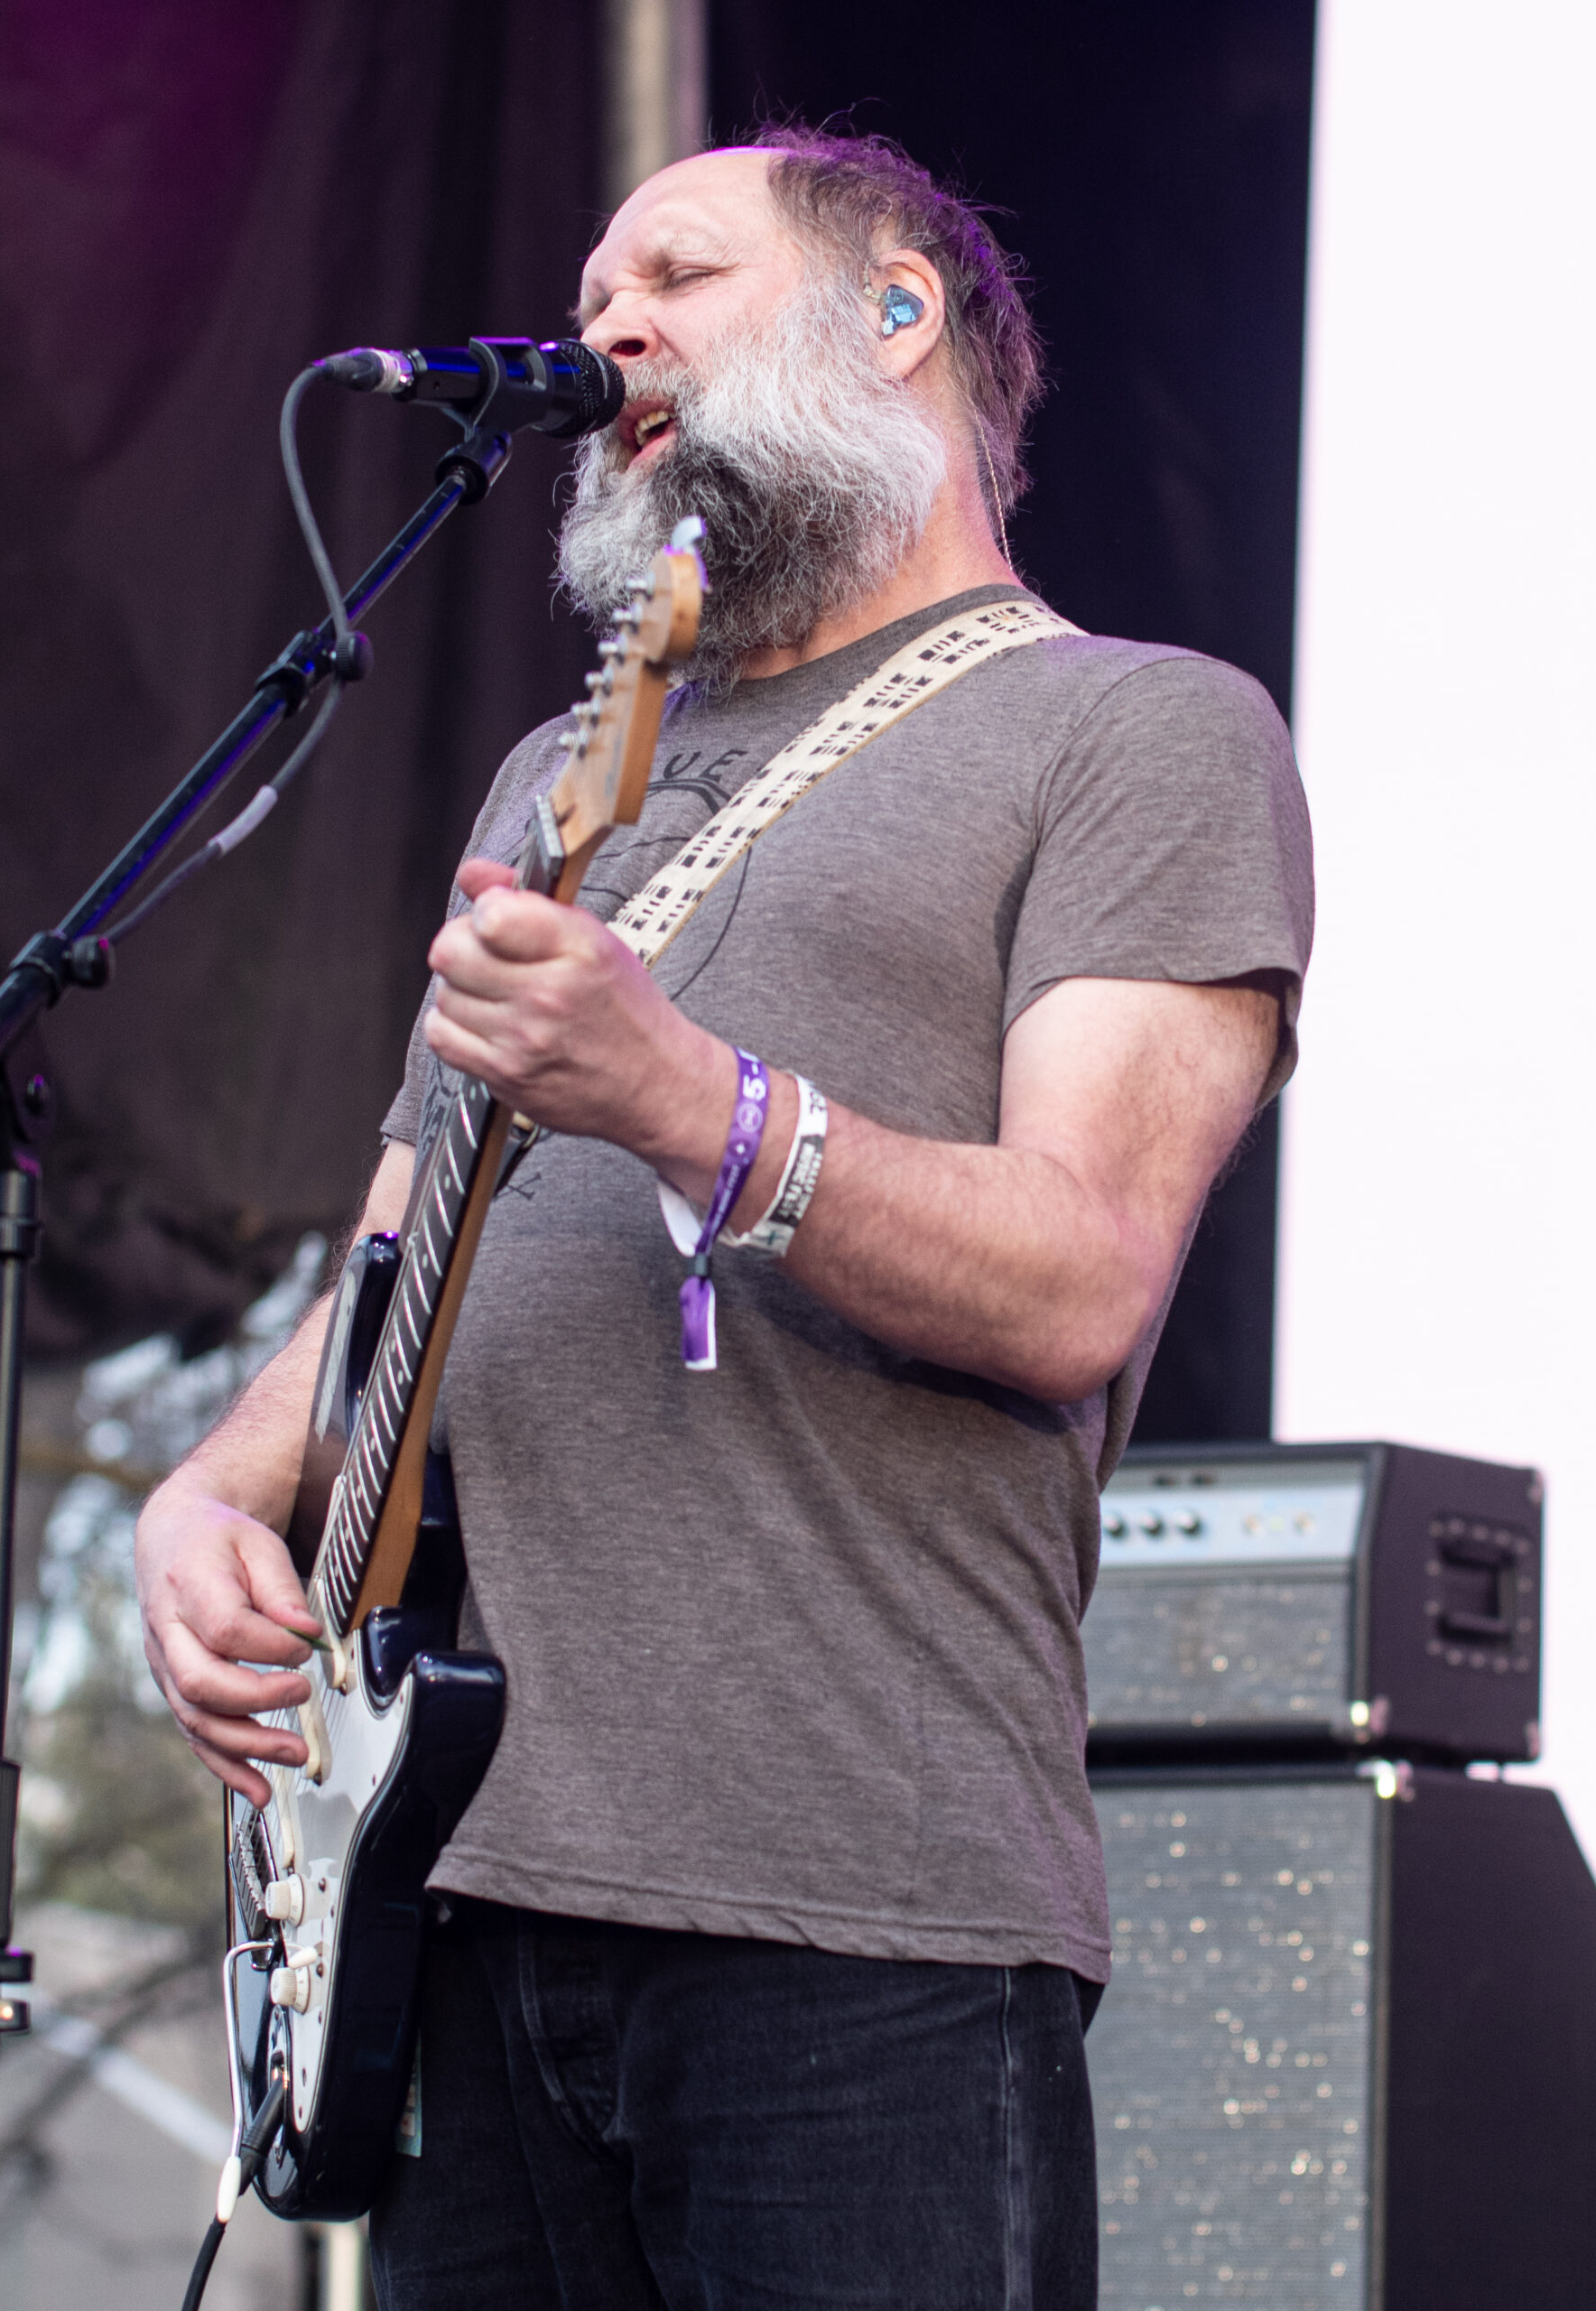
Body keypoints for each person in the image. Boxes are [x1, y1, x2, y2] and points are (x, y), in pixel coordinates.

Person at [135, 126, 1312, 2310]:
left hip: (865, 1922)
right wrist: (217, 1486)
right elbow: (399, 1270)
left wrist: (685, 1098)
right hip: (457, 1905)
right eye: (592, 297)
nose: (606, 331)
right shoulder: (555, 782)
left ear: (898, 315)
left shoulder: (1138, 731)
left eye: (674, 270)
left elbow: (1077, 1272)